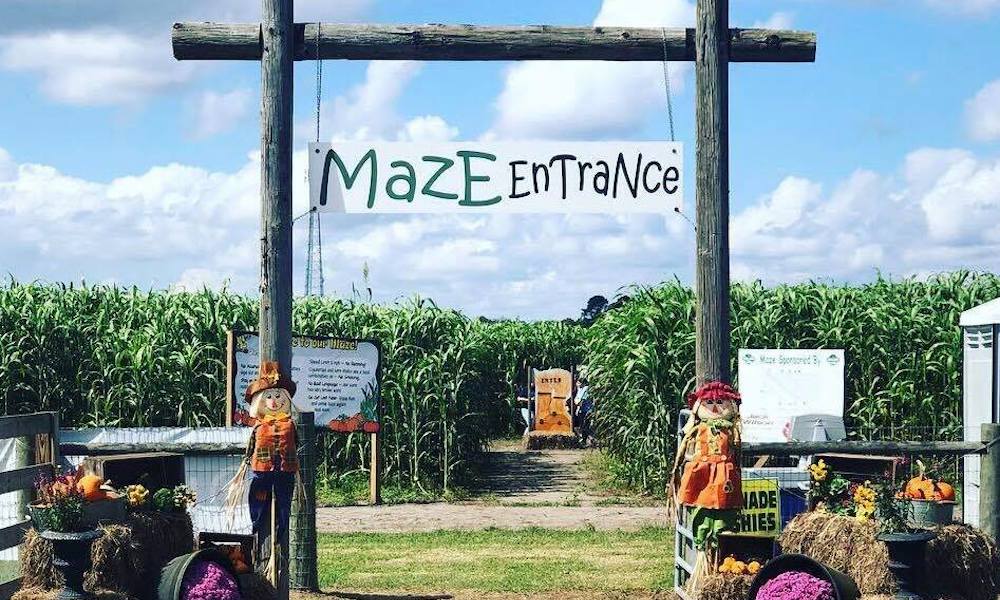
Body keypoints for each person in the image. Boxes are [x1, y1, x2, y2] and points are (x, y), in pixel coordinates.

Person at [573, 376, 593, 445]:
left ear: (582, 383)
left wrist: (578, 408)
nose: (577, 384)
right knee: (582, 425)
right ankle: (585, 440)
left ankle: (590, 438)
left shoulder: (586, 389)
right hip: (581, 410)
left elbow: (581, 400)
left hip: (586, 410)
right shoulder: (579, 389)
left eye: (578, 382)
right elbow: (576, 399)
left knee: (585, 425)